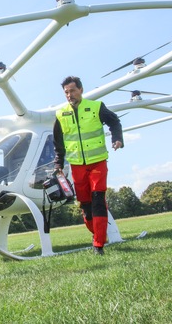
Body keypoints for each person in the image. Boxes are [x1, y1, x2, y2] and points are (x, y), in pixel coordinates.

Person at [53, 75, 123, 255]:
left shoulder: (96, 107)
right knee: (85, 204)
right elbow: (58, 142)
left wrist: (117, 139)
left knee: (98, 200)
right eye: (66, 92)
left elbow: (114, 121)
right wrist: (58, 163)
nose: (69, 95)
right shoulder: (60, 114)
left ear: (81, 90)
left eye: (73, 91)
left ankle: (98, 244)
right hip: (77, 165)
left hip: (98, 162)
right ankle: (98, 234)